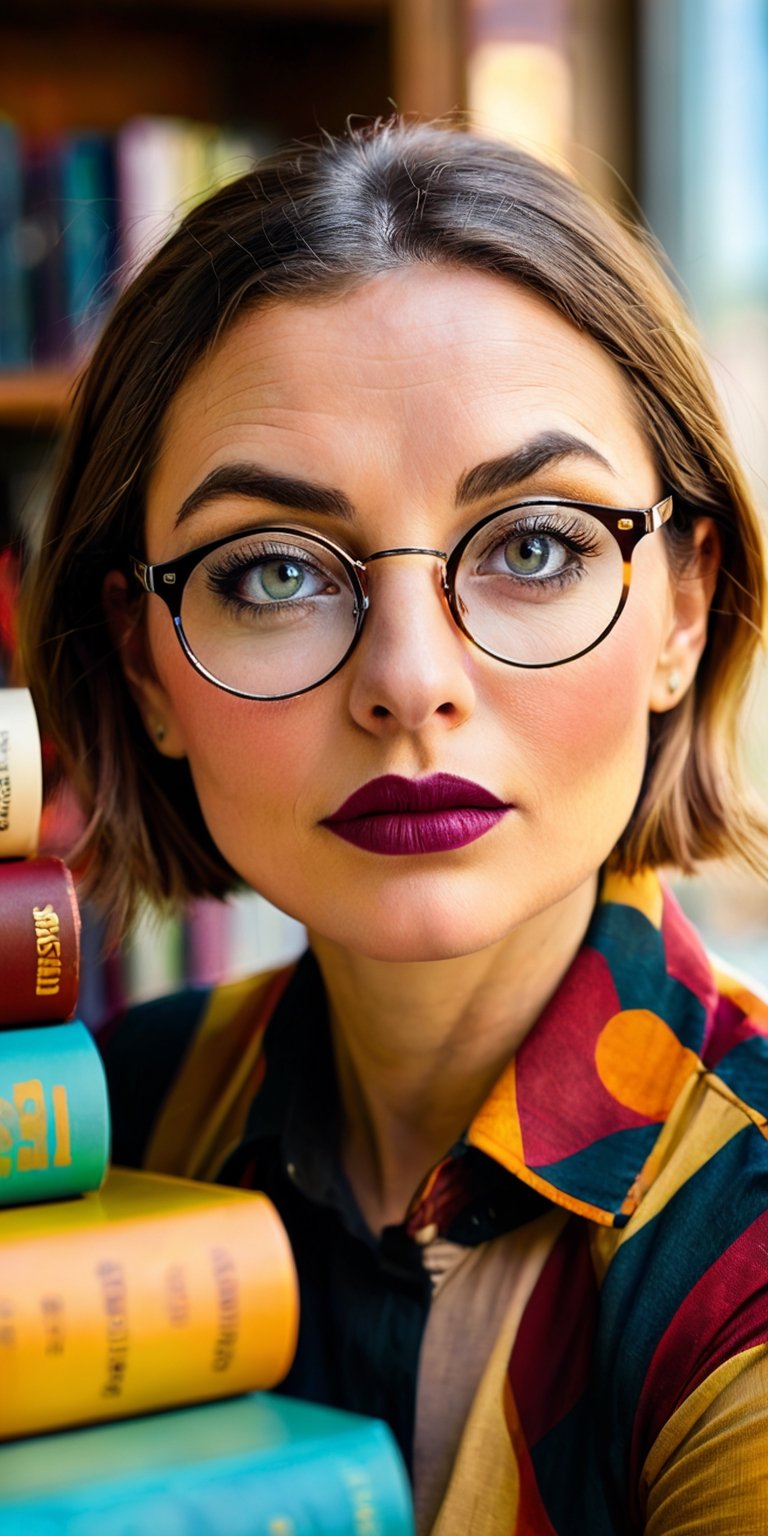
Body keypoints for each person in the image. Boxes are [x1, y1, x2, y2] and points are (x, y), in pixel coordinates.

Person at [21, 119, 768, 1534]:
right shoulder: (110, 1125)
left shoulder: (748, 1238)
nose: (411, 682)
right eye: (274, 571)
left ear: (681, 604)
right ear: (144, 667)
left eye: (535, 547)